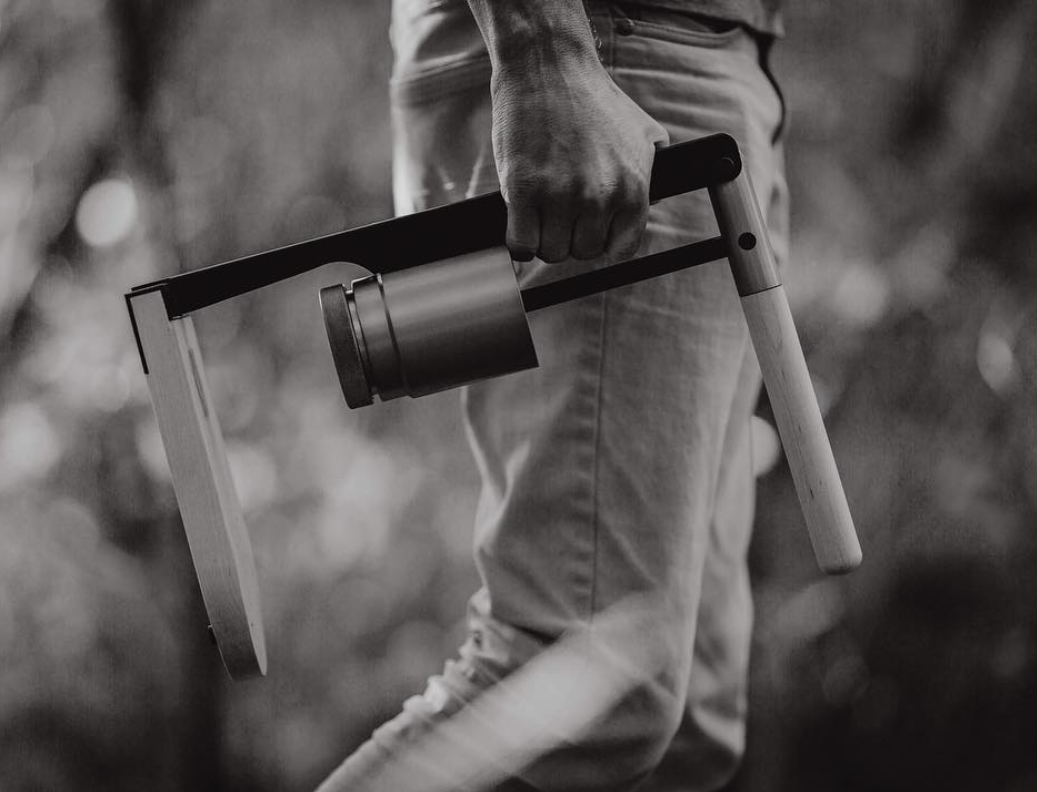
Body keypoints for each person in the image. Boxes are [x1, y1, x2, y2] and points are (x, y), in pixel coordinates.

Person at [318, 1, 787, 789]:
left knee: (687, 733)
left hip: (715, 63)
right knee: (589, 675)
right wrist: (543, 51)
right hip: (615, 56)